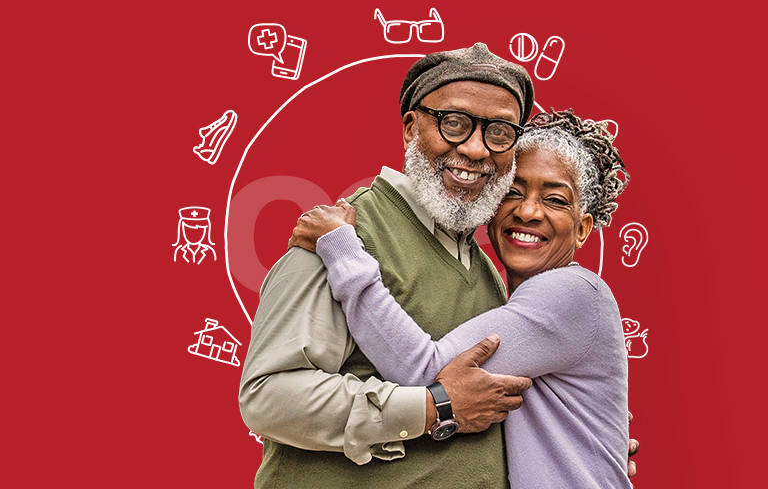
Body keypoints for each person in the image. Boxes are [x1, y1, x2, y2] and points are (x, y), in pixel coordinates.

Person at [239, 44, 637, 488]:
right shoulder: (344, 235)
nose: (474, 148)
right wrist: (434, 408)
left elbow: (491, 399)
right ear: (411, 128)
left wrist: (592, 432)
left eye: (500, 132)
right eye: (454, 123)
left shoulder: (488, 271)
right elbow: (267, 398)